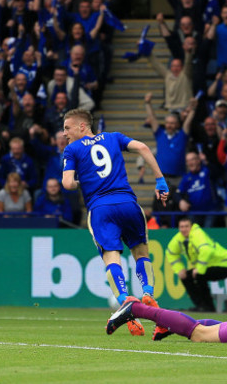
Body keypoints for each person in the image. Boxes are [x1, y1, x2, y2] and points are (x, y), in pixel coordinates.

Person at [61, 109, 169, 338]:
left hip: (101, 209)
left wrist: (85, 181)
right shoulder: (113, 137)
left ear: (82, 127)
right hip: (129, 204)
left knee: (112, 257)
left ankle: (125, 302)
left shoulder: (72, 149)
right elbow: (143, 148)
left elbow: (68, 183)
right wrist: (160, 180)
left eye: (67, 128)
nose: (64, 134)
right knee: (141, 254)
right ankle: (148, 292)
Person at [165, 217, 227, 313]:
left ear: (191, 226)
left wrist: (199, 269)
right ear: (178, 228)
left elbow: (206, 250)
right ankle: (201, 305)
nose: (184, 229)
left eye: (186, 226)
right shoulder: (179, 238)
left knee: (199, 275)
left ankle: (208, 307)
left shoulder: (197, 233)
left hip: (225, 264)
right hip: (209, 265)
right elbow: (170, 253)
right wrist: (179, 269)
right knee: (185, 276)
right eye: (181, 227)